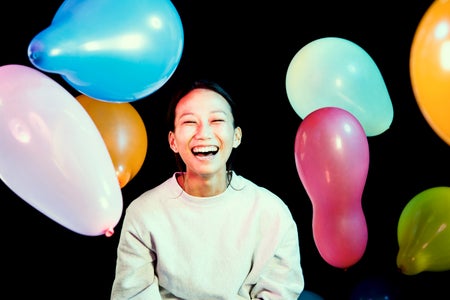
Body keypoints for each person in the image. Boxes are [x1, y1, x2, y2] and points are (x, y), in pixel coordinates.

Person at [111, 79, 304, 299]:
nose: (203, 133)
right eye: (190, 122)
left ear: (236, 136)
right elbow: (132, 294)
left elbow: (279, 292)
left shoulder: (271, 211)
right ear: (173, 141)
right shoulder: (143, 212)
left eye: (217, 120)